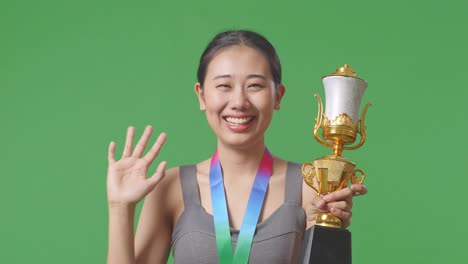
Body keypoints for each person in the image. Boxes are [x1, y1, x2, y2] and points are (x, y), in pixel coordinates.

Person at [106, 30, 367, 264]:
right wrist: (120, 207)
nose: (239, 101)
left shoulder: (311, 187)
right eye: (224, 86)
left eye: (254, 85)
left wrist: (328, 231)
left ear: (278, 96)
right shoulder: (171, 188)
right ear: (201, 95)